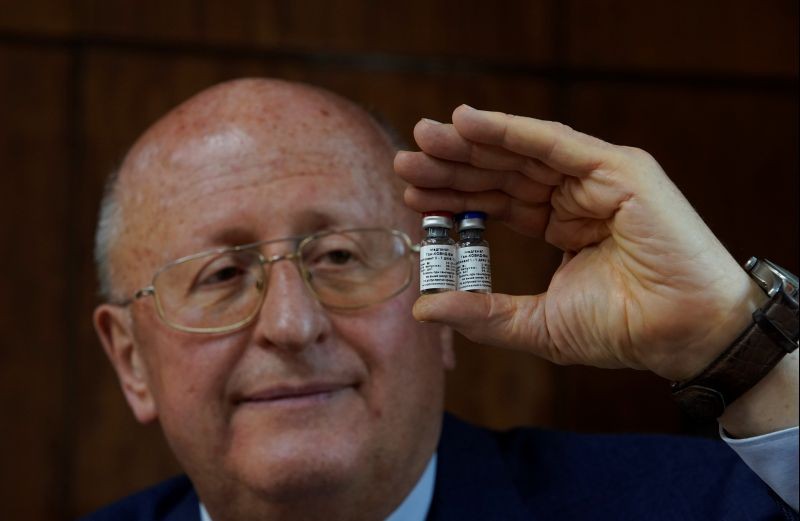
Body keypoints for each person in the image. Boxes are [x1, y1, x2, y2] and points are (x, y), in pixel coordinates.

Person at [84, 78, 798, 521]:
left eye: (340, 257)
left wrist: (739, 343)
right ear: (129, 359)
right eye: (221, 275)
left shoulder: (693, 507)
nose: (292, 323)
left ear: (443, 305)